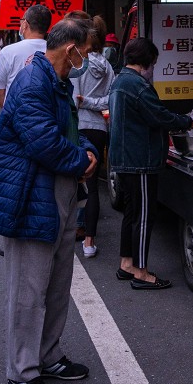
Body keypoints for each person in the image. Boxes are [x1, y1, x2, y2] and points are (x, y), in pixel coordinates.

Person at [0, 18, 98, 384]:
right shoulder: (34, 81)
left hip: (59, 189)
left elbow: (68, 128)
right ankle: (21, 372)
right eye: (87, 50)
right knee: (29, 291)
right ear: (72, 50)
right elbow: (43, 141)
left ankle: (48, 356)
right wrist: (82, 161)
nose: (89, 58)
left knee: (56, 284)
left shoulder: (57, 80)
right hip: (33, 194)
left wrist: (88, 151)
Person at [108, 37, 193, 290]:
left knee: (131, 214)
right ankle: (141, 272)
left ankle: (127, 264)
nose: (153, 70)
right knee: (144, 217)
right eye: (154, 64)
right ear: (146, 62)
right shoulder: (137, 85)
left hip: (124, 160)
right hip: (140, 161)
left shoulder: (120, 81)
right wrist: (186, 121)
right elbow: (159, 116)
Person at [71, 15, 115, 258]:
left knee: (72, 181)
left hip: (76, 127)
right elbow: (112, 99)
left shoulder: (77, 63)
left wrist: (83, 101)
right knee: (93, 186)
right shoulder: (107, 67)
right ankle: (89, 242)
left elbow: (73, 100)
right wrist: (92, 102)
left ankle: (70, 230)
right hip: (98, 128)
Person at [0, 4, 53, 110]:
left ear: (25, 24)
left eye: (22, 20)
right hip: (48, 117)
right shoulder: (56, 50)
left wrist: (11, 113)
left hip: (17, 117)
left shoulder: (8, 52)